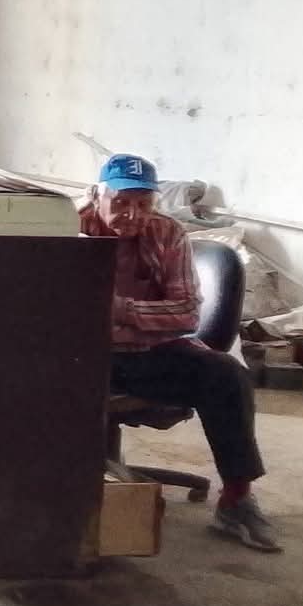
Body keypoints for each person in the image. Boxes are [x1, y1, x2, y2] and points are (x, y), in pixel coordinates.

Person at [82, 154, 277, 552]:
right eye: (120, 202)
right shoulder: (67, 225)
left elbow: (187, 313)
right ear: (96, 196)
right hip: (82, 353)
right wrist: (141, 315)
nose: (132, 214)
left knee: (227, 376)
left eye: (143, 204)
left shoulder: (167, 233)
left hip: (148, 354)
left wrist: (119, 310)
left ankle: (237, 500)